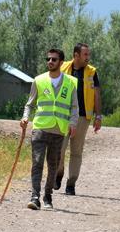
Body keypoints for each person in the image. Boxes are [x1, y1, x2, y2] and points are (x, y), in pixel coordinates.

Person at [20, 49, 79, 210]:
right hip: (40, 128)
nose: (50, 62)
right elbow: (29, 104)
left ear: (61, 62)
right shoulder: (38, 80)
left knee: (53, 165)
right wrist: (25, 117)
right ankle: (35, 196)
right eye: (48, 59)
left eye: (54, 59)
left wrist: (73, 123)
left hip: (58, 130)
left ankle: (48, 196)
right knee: (37, 162)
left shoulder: (70, 83)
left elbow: (74, 106)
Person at [56, 43, 102, 195]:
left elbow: (97, 94)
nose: (88, 57)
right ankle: (58, 174)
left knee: (76, 152)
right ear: (76, 55)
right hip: (64, 116)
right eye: (85, 54)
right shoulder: (62, 68)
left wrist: (98, 116)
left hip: (82, 117)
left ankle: (71, 184)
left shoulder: (92, 72)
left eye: (88, 54)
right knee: (59, 149)